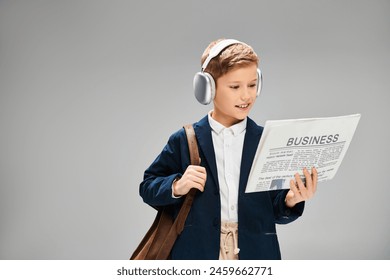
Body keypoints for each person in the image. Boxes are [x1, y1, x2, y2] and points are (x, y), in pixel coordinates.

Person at [139, 38, 317, 260]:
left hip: (256, 254)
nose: (246, 96)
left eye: (252, 85)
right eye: (235, 87)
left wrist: (291, 199)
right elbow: (147, 187)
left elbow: (276, 211)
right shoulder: (184, 140)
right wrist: (177, 185)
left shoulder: (266, 141)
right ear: (207, 88)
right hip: (197, 253)